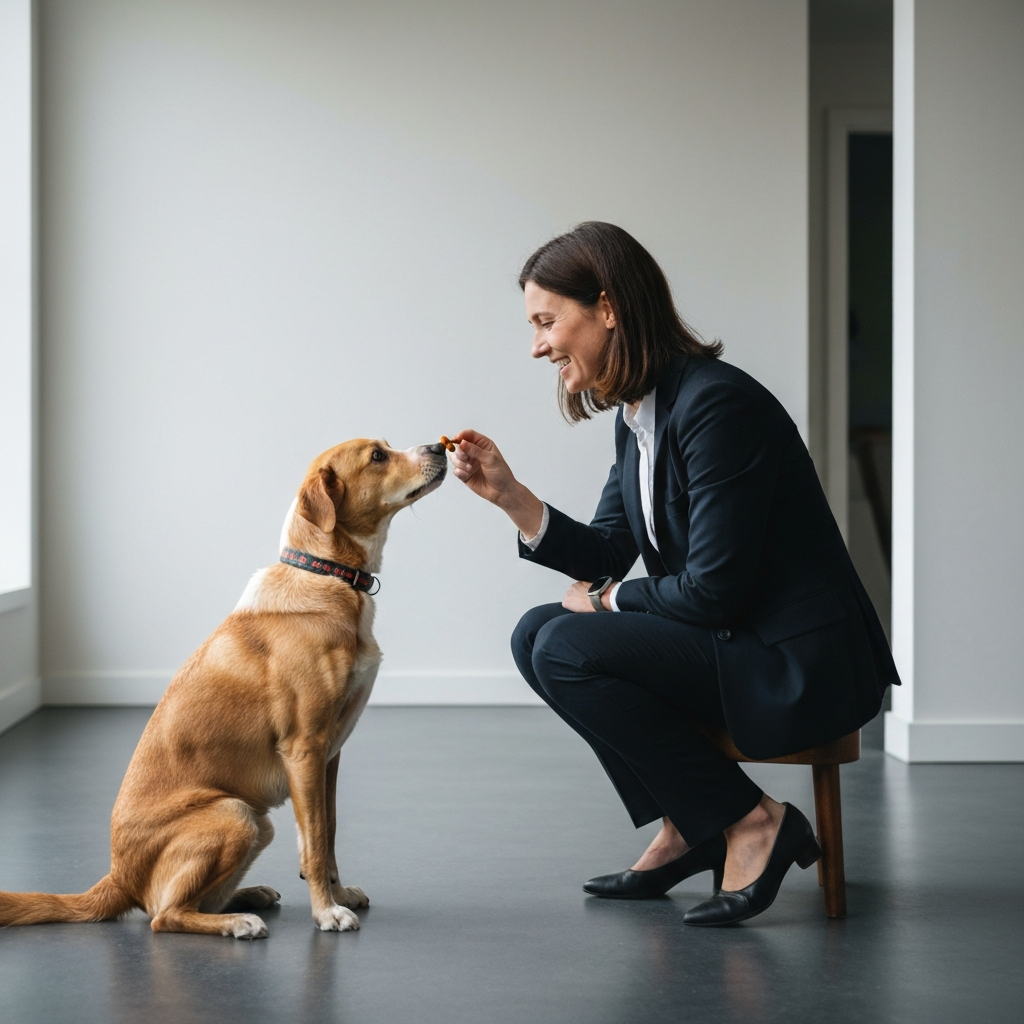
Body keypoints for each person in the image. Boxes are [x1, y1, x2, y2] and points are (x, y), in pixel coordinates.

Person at [449, 222, 898, 926]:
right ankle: (692, 821)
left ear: (608, 308)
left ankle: (752, 822)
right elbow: (606, 549)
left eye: (546, 321)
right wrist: (511, 497)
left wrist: (605, 602)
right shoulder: (639, 416)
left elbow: (713, 587)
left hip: (796, 661)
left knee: (566, 642)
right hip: (730, 640)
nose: (538, 345)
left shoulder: (717, 405)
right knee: (535, 631)